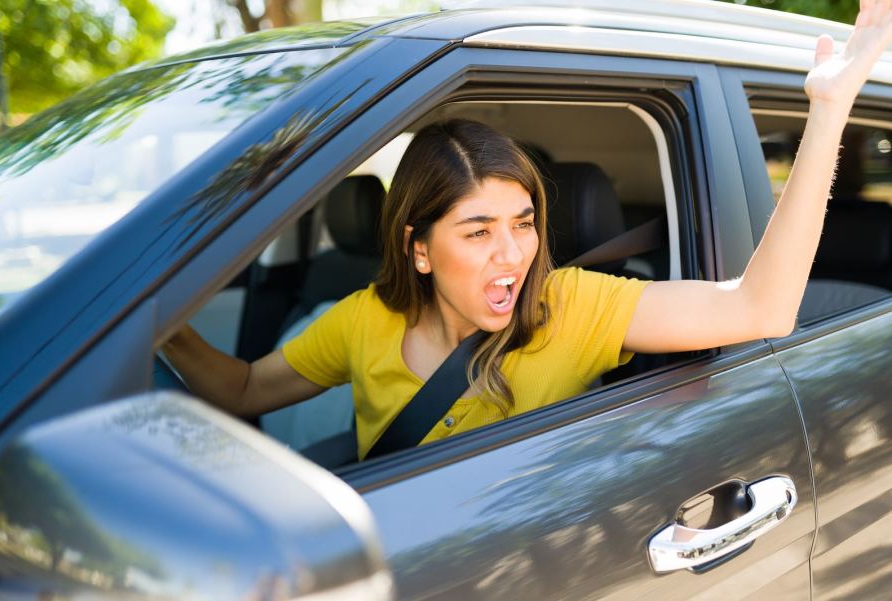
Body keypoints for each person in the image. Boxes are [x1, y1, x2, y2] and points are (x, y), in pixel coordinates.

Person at [164, 1, 892, 461]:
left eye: (524, 222)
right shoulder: (364, 321)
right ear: (418, 248)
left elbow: (758, 309)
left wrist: (827, 111)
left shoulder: (571, 304)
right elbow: (243, 389)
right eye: (477, 231)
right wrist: (156, 320)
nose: (514, 252)